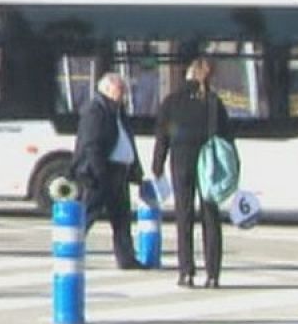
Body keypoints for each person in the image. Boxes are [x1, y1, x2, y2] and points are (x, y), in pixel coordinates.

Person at [152, 58, 230, 288]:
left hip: (181, 161)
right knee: (211, 217)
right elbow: (226, 137)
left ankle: (186, 271)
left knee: (184, 216)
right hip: (209, 163)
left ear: (188, 73)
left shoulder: (172, 102)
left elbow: (163, 137)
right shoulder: (214, 102)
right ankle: (213, 274)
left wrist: (157, 165)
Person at [71, 71, 144, 270]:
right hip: (101, 173)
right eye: (120, 89)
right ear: (107, 89)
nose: (123, 94)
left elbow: (126, 140)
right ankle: (70, 250)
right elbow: (91, 145)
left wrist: (135, 168)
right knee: (88, 214)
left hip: (119, 171)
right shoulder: (96, 109)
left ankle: (127, 258)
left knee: (122, 218)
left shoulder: (118, 111)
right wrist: (100, 173)